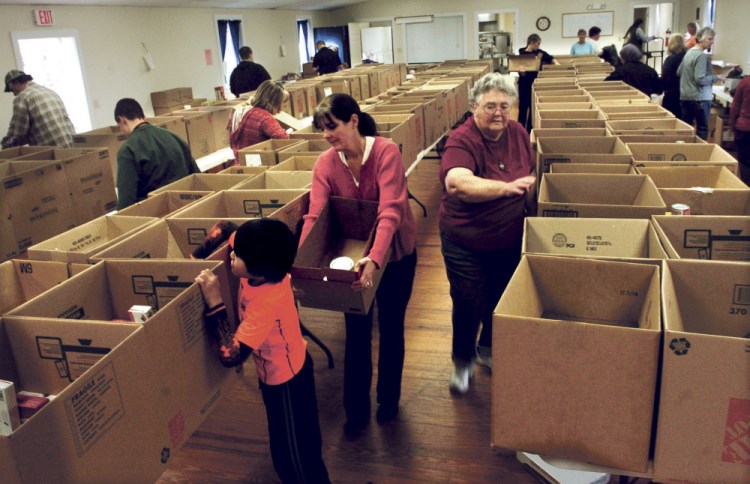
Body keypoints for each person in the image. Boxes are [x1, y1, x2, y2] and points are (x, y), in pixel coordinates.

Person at [300, 93, 417, 433]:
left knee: (392, 328)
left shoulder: (385, 152)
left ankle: (388, 401)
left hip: (393, 255)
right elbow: (315, 216)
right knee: (356, 332)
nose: (326, 135)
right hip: (353, 259)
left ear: (354, 120)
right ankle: (356, 411)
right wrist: (304, 262)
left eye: (331, 126)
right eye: (322, 129)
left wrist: (375, 259)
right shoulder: (325, 163)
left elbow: (391, 210)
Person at [194, 218, 330, 484]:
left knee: (294, 459)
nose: (232, 255)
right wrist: (194, 259)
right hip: (286, 369)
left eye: (238, 256)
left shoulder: (266, 304)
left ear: (259, 271)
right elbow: (226, 228)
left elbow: (230, 354)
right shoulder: (259, 257)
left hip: (286, 383)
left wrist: (215, 302)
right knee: (294, 446)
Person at [439, 73, 536, 395]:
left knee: (500, 298)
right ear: (473, 107)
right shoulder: (461, 139)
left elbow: (532, 173)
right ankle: (462, 362)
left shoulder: (518, 132)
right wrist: (507, 188)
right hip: (465, 239)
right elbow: (458, 184)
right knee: (468, 301)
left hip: (508, 235)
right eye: (490, 105)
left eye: (505, 106)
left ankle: (489, 349)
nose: (498, 113)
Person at [114, 98, 199, 209]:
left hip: (156, 215)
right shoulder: (174, 136)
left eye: (119, 127)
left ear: (122, 120)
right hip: (188, 208)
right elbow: (197, 175)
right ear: (142, 115)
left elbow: (126, 202)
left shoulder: (128, 150)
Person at [2, 69, 75, 149]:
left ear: (16, 83)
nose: (14, 94)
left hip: (54, 151)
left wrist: (5, 147)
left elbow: (18, 133)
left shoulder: (23, 97)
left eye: (12, 90)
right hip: (73, 145)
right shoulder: (49, 91)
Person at [227, 79, 289, 163]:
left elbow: (231, 143)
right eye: (281, 103)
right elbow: (283, 138)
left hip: (240, 165)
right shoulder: (264, 117)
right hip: (259, 165)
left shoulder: (238, 112)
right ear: (274, 102)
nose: (281, 108)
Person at [678, 27, 719, 140]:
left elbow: (679, 72)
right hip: (700, 98)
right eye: (709, 39)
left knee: (686, 129)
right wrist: (717, 77)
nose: (712, 42)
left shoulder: (689, 53)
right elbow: (700, 79)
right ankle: (701, 154)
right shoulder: (701, 56)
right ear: (700, 39)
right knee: (702, 128)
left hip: (686, 96)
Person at [517, 33, 558, 132]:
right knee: (523, 107)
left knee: (532, 108)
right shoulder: (521, 53)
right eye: (538, 44)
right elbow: (518, 69)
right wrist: (520, 71)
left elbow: (552, 59)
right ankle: (520, 130)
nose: (539, 46)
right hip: (523, 84)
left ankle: (530, 130)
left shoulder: (540, 53)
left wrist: (558, 66)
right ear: (532, 43)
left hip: (535, 84)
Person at [730, 75, 750, 185]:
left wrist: (732, 127)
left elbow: (735, 107)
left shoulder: (746, 81)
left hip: (745, 129)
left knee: (746, 165)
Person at [661, 34, 687, 117]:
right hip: (686, 93)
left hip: (672, 93)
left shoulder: (670, 59)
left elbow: (665, 78)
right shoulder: (688, 57)